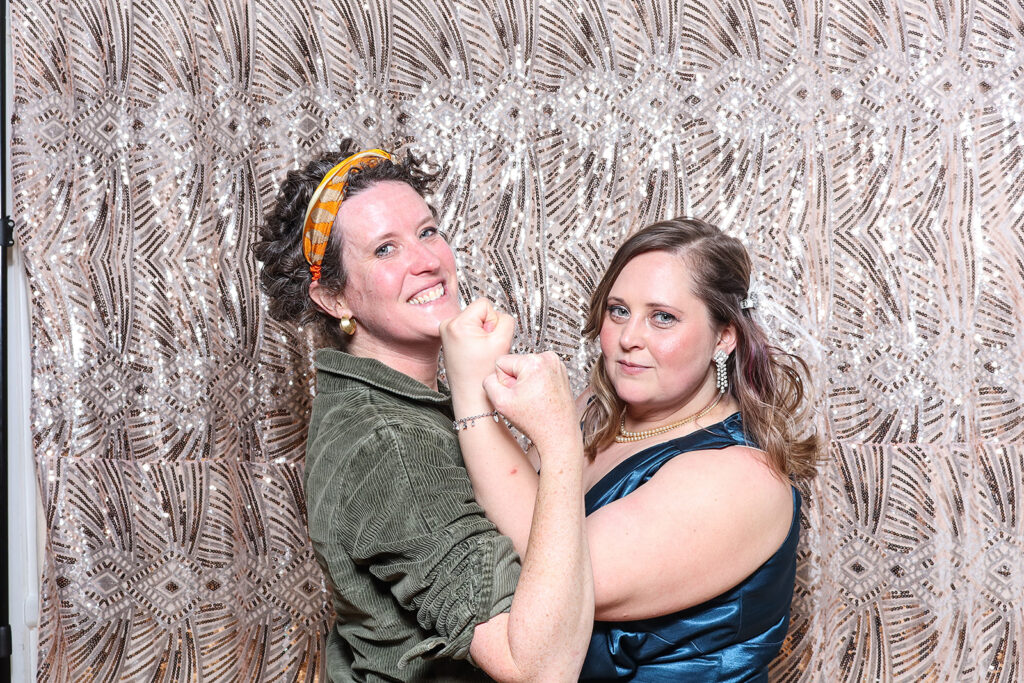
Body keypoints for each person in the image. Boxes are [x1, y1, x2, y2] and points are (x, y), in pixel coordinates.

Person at [253, 142, 593, 682]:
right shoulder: (391, 444)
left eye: (427, 231)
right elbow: (538, 669)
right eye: (385, 250)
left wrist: (471, 391)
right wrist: (560, 442)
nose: (427, 261)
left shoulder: (389, 409)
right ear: (334, 300)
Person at [442, 217, 821, 681]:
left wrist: (470, 391)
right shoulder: (595, 412)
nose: (628, 338)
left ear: (724, 336)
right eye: (619, 310)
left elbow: (557, 588)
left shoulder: (743, 479)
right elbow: (501, 525)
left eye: (663, 317)